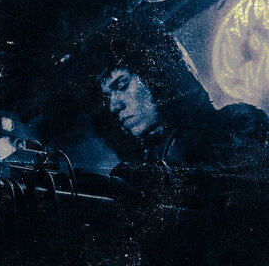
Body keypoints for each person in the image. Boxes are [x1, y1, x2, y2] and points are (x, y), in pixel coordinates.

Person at [93, 18, 269, 172]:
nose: (113, 106)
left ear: (159, 76)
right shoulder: (145, 162)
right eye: (107, 97)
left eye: (122, 85)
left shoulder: (236, 126)